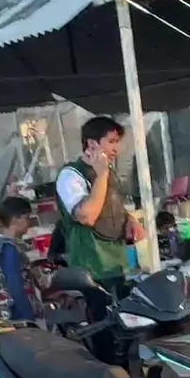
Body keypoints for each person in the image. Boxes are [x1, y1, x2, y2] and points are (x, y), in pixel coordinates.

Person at [54, 117, 147, 285]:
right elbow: (86, 216)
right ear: (92, 144)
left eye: (117, 142)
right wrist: (102, 175)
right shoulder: (70, 175)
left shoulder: (108, 171)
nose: (116, 149)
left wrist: (129, 219)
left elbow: (111, 204)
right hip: (91, 269)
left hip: (118, 263)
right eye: (111, 142)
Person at [0, 196, 36, 322]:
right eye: (26, 218)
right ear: (15, 219)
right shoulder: (9, 250)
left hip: (5, 310)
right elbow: (14, 285)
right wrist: (28, 314)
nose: (29, 222)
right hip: (16, 312)